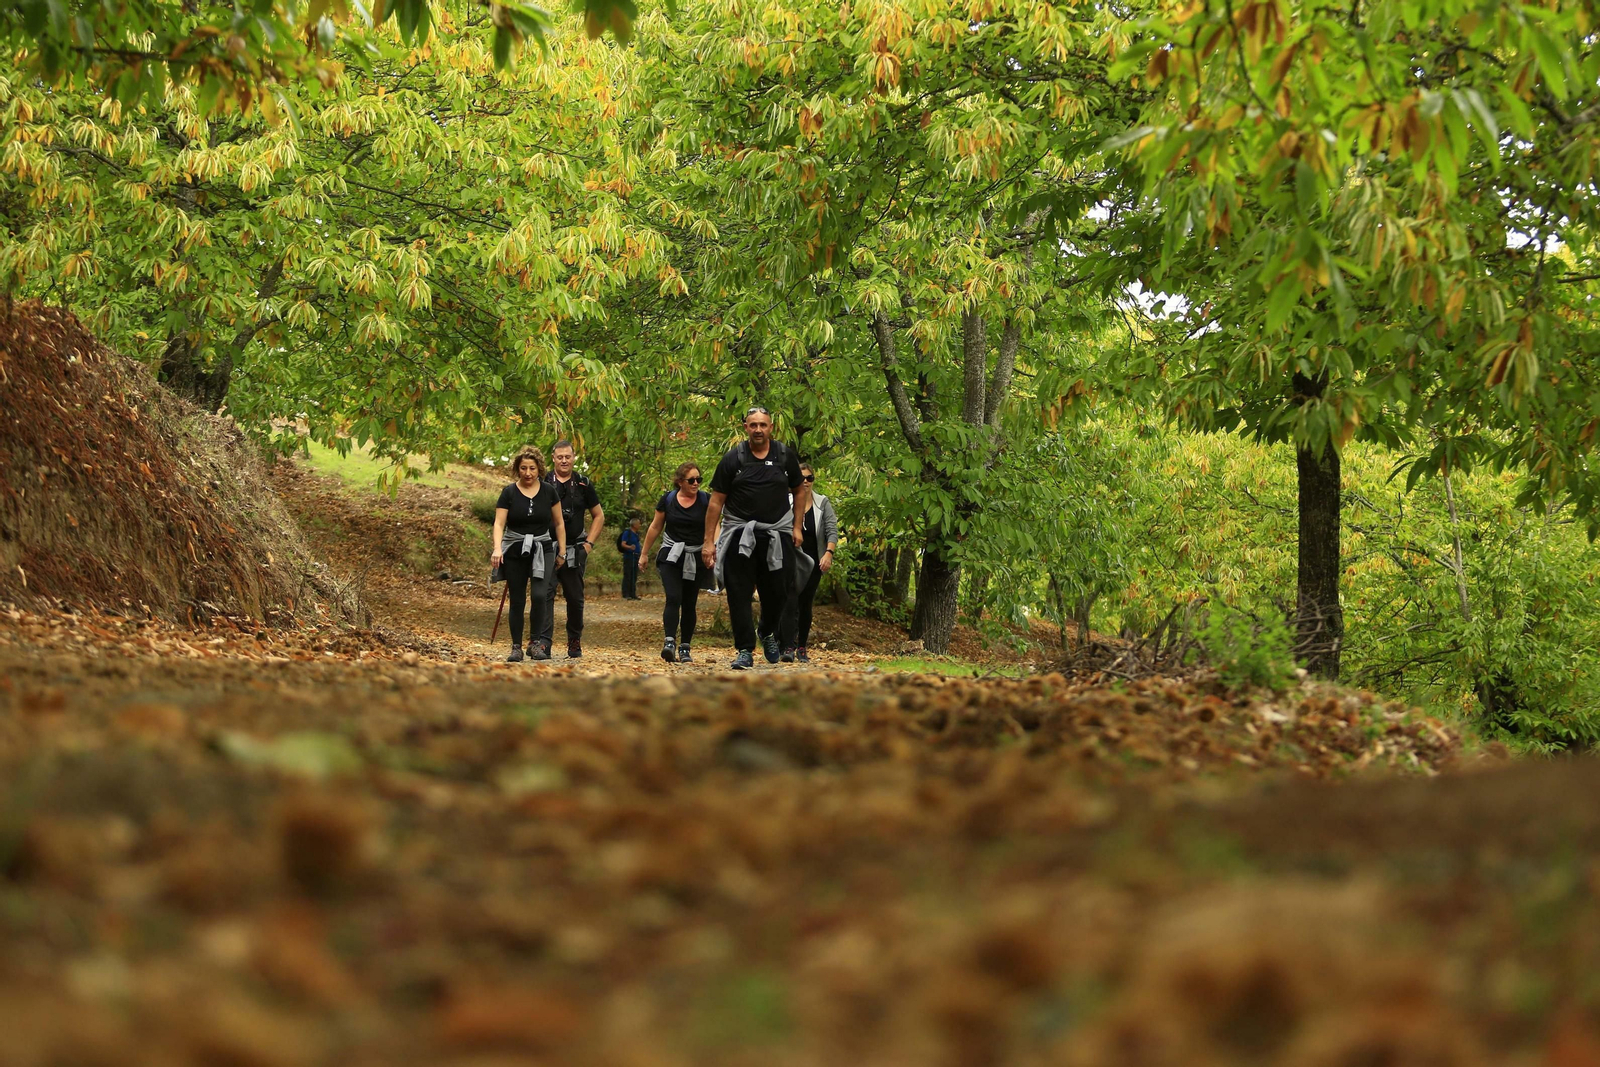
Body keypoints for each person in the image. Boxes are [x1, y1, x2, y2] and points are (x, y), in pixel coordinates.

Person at [701, 406, 811, 670]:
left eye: (763, 425)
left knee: (779, 591)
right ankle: (744, 650)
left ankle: (767, 631)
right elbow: (716, 502)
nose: (758, 429)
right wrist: (708, 542)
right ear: (745, 428)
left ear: (771, 427)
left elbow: (799, 491)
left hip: (777, 534)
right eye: (753, 425)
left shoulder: (784, 456)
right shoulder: (733, 459)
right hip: (741, 535)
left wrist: (797, 527)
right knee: (738, 594)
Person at [490, 447, 566, 662]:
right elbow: (499, 523)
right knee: (517, 599)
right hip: (515, 548)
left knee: (540, 595)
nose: (528, 473)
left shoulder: (549, 491)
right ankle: (516, 647)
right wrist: (498, 548)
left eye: (532, 468)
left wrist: (562, 550)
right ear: (517, 469)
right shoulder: (509, 492)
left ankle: (535, 643)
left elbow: (559, 523)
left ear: (539, 469)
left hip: (543, 547)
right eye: (523, 468)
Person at [539, 439, 603, 659]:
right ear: (553, 458)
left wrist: (589, 544)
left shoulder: (584, 484)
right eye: (560, 457)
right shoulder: (543, 481)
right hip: (547, 547)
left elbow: (599, 516)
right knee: (544, 594)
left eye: (568, 456)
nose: (564, 460)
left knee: (575, 598)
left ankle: (574, 640)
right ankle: (543, 642)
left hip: (576, 547)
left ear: (574, 458)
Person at [640, 462, 710, 663]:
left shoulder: (706, 500)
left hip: (696, 556)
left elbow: (715, 526)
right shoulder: (668, 500)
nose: (696, 483)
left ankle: (685, 647)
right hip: (671, 555)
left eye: (699, 479)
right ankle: (669, 641)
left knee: (690, 602)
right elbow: (655, 527)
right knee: (673, 596)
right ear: (680, 482)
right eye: (691, 480)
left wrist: (713, 549)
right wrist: (644, 554)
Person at [780, 462, 838, 662]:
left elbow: (832, 530)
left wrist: (828, 553)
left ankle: (802, 646)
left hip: (814, 562)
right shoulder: (784, 502)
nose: (805, 481)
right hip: (790, 560)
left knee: (805, 605)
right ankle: (787, 646)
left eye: (809, 478)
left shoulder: (822, 503)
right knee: (789, 603)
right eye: (801, 477)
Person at [617, 517, 642, 600]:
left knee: (634, 575)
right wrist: (630, 547)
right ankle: (626, 594)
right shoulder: (627, 533)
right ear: (634, 525)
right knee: (628, 574)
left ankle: (633, 593)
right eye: (638, 523)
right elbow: (623, 544)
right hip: (629, 557)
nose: (640, 525)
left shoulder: (636, 534)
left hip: (636, 557)